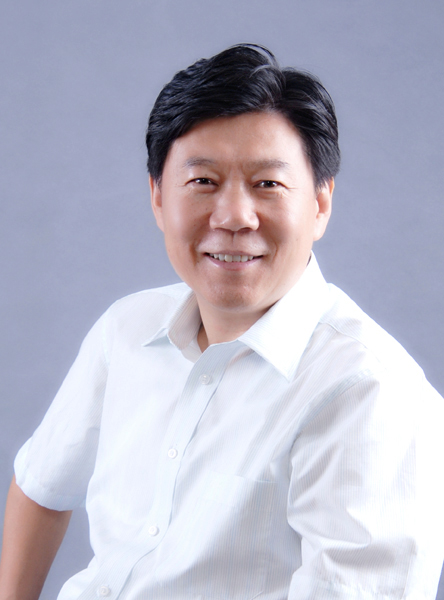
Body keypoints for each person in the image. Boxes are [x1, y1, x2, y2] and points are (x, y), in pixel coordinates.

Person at [0, 43, 443, 600]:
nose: (234, 216)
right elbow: (41, 486)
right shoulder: (126, 328)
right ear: (157, 197)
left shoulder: (371, 392)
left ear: (321, 203)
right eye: (203, 182)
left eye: (267, 184)